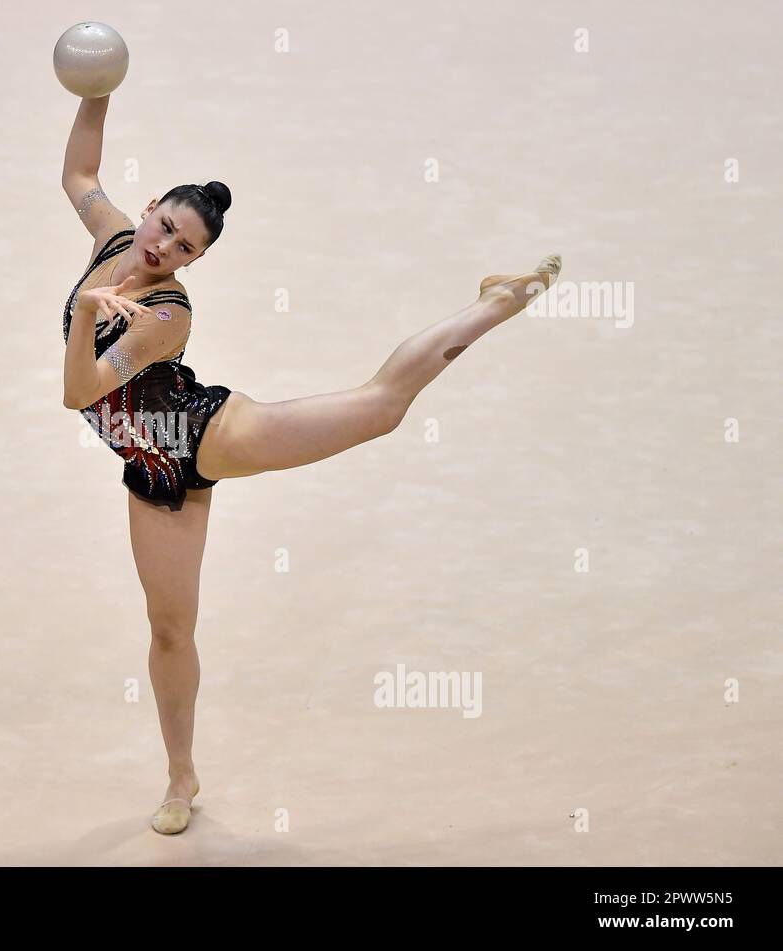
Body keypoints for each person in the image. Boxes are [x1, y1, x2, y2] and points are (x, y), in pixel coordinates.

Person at [60, 94, 560, 835]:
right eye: (164, 225)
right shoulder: (115, 237)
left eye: (185, 247)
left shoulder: (166, 316)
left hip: (203, 436)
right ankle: (181, 777)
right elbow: (79, 174)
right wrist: (98, 89)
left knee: (381, 409)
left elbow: (78, 393)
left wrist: (83, 320)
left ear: (195, 261)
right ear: (151, 206)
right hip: (150, 469)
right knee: (168, 630)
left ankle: (493, 305)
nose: (164, 246)